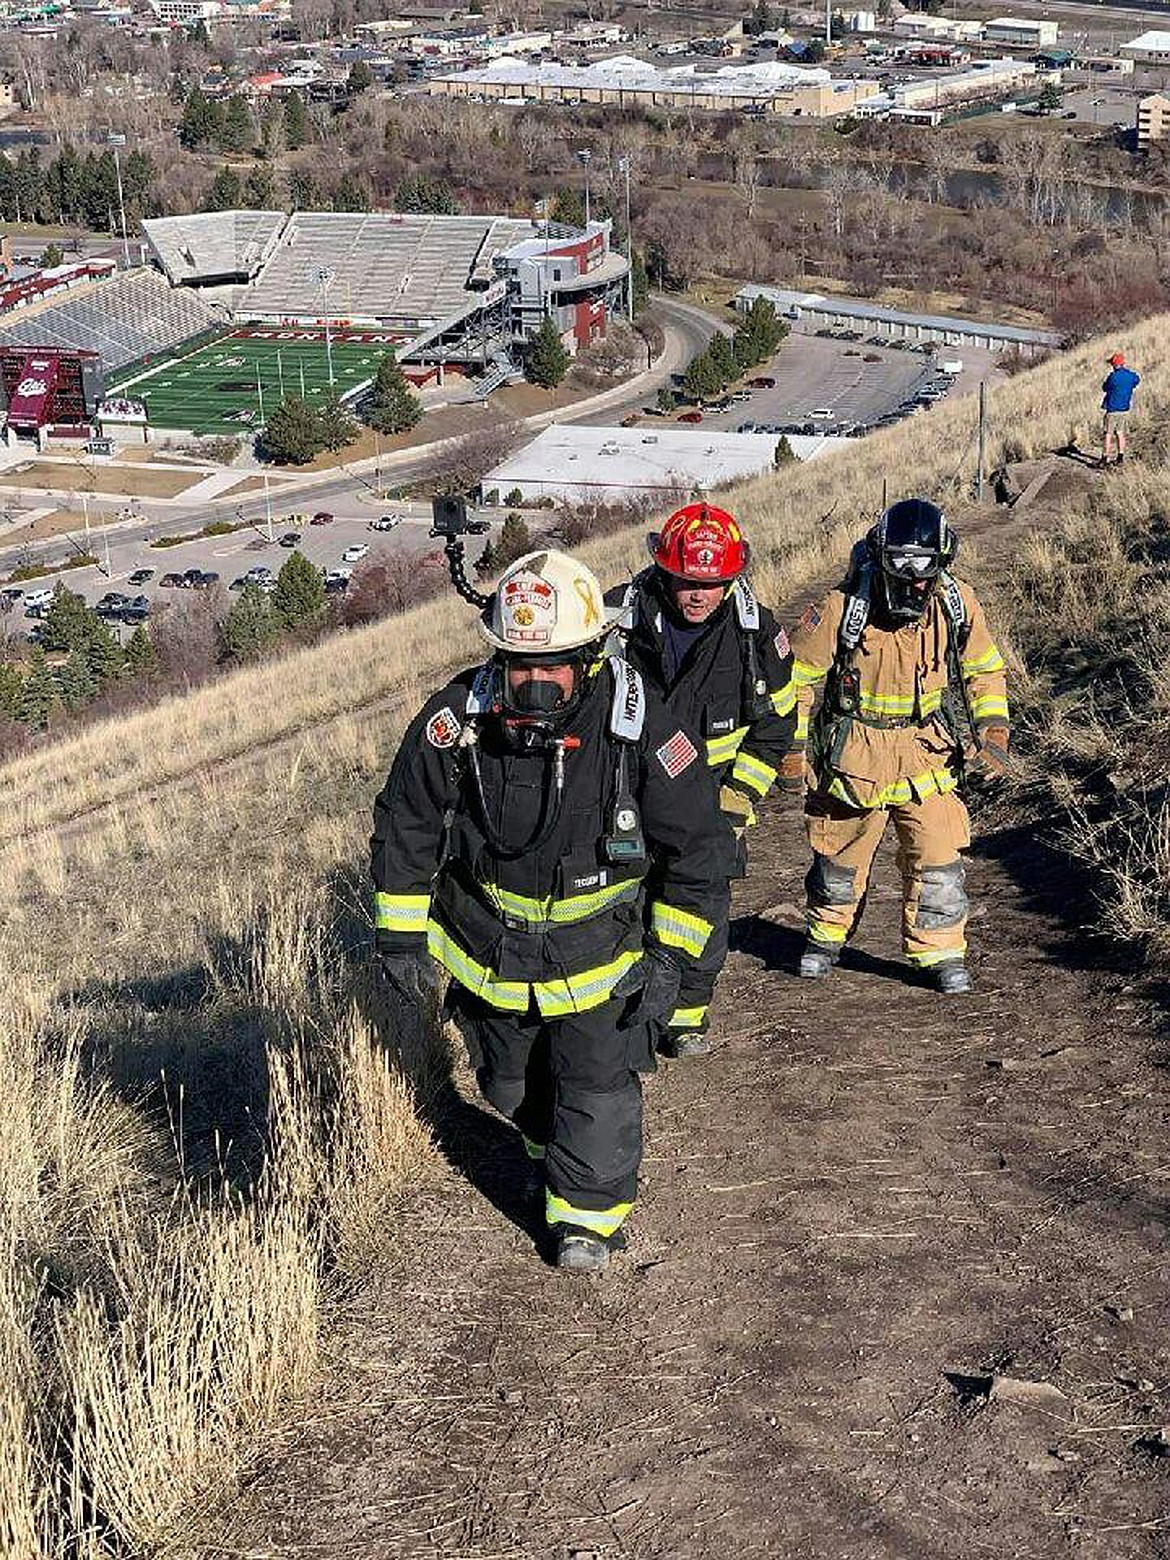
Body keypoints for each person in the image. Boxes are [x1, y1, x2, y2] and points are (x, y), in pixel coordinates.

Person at [371, 549, 732, 1273]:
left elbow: (699, 847)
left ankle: (586, 1221)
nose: (535, 683)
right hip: (489, 956)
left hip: (603, 958)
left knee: (595, 1084)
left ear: (591, 657)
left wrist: (674, 962)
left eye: (554, 665)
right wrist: (401, 938)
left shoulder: (639, 727)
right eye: (519, 665)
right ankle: (547, 1145)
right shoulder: (457, 721)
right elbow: (407, 820)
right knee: (510, 1086)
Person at [780, 498, 1009, 995]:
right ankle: (824, 939)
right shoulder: (840, 609)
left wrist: (992, 732)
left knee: (938, 855)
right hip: (854, 755)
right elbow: (795, 680)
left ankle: (941, 952)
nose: (914, 586)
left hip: (928, 750)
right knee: (839, 858)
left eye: (925, 576)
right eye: (902, 573)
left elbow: (985, 669)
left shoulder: (958, 603)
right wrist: (793, 749)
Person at [605, 501, 797, 1057]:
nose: (699, 595)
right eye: (687, 581)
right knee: (626, 904)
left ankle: (684, 1018)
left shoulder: (756, 636)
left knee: (702, 910)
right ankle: (623, 1015)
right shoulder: (619, 618)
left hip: (713, 802)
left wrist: (737, 799)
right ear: (664, 570)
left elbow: (776, 723)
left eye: (713, 585)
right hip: (629, 795)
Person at [1101, 352, 1140, 467]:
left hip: (1112, 409)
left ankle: (1104, 458)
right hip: (1124, 409)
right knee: (1120, 432)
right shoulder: (1131, 376)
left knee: (1108, 434)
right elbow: (1137, 380)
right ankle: (1120, 457)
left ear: (1114, 365)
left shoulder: (1112, 377)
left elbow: (1104, 388)